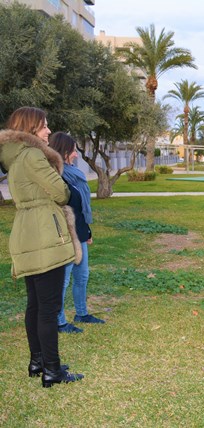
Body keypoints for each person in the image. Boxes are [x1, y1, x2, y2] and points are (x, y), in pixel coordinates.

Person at [0, 107, 83, 387]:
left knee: (35, 305)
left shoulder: (14, 158)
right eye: (44, 126)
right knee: (48, 308)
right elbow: (60, 192)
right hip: (45, 233)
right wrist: (65, 188)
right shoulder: (33, 155)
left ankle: (38, 361)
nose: (49, 131)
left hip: (26, 231)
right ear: (32, 128)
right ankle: (53, 371)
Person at [49, 132, 104, 334]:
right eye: (73, 151)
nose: (76, 155)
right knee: (63, 281)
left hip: (79, 232)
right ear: (63, 152)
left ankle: (81, 313)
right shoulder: (55, 176)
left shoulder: (74, 173)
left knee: (82, 276)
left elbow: (80, 207)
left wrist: (87, 231)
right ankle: (59, 321)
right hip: (64, 236)